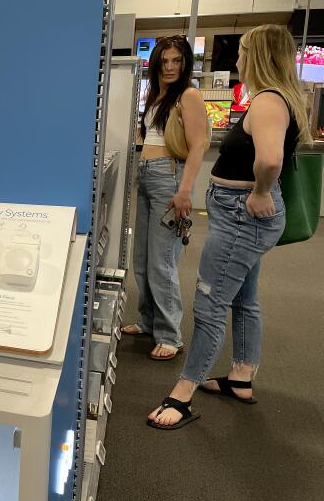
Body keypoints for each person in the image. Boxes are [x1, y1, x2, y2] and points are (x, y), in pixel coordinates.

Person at [148, 25, 312, 430]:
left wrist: (259, 192)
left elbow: (271, 159)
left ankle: (183, 393)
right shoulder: (273, 99)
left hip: (242, 215)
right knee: (245, 297)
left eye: (241, 50)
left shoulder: (269, 101)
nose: (235, 58)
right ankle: (241, 375)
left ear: (256, 55)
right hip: (238, 214)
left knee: (210, 303)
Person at [122, 35, 208, 360]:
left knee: (161, 261)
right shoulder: (158, 96)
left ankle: (170, 335)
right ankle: (147, 321)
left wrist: (184, 189)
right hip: (146, 176)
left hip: (169, 177)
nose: (170, 67)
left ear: (185, 64)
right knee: (142, 258)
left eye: (177, 61)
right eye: (165, 60)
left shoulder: (189, 95)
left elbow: (198, 145)